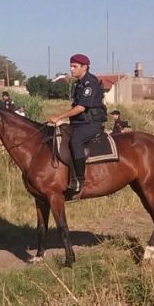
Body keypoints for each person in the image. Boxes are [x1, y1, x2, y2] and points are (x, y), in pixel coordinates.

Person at [47, 54, 106, 198]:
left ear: (84, 67)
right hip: (79, 122)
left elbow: (80, 108)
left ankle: (79, 179)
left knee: (76, 140)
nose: (71, 69)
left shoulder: (89, 84)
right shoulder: (78, 83)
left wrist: (59, 117)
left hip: (91, 124)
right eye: (71, 66)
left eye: (75, 66)